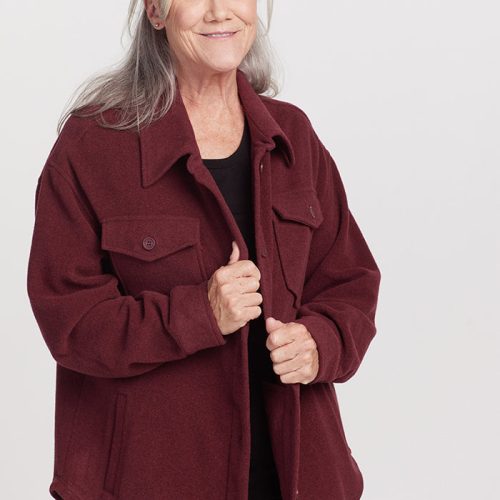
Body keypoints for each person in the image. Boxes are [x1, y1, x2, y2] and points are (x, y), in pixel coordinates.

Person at [26, 1, 381, 499]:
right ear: (155, 11)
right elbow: (71, 323)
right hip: (148, 482)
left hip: (300, 478)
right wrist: (199, 313)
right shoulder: (93, 145)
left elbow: (350, 282)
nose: (220, 11)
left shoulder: (292, 135)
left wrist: (321, 343)